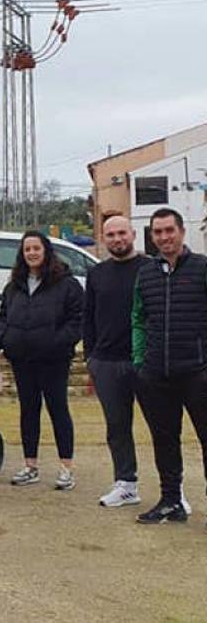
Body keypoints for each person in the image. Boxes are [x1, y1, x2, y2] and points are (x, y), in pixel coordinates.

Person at [132, 208, 207, 525]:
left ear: (181, 232)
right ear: (152, 236)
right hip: (156, 375)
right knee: (164, 441)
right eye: (158, 232)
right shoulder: (147, 273)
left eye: (169, 230)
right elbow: (138, 319)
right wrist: (140, 362)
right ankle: (170, 501)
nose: (164, 237)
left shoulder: (202, 268)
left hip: (197, 373)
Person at [0, 231, 83, 491]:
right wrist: (4, 338)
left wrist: (58, 341)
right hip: (23, 359)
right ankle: (30, 465)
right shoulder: (14, 285)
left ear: (46, 251)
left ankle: (66, 468)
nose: (31, 253)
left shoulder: (67, 284)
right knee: (28, 410)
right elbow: (3, 315)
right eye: (27, 249)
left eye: (36, 248)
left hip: (54, 360)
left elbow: (78, 319)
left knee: (58, 410)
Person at [83, 215, 147, 508]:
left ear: (133, 234)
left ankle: (174, 488)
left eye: (122, 233)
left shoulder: (151, 269)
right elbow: (89, 319)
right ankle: (126, 484)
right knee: (117, 426)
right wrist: (91, 359)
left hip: (145, 361)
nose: (117, 239)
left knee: (163, 427)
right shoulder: (97, 274)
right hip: (106, 362)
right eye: (111, 235)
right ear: (103, 238)